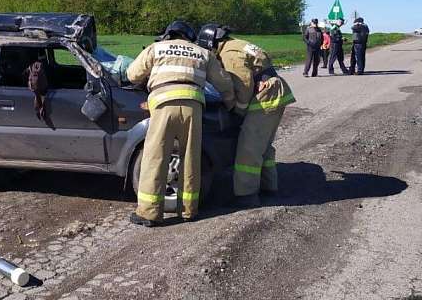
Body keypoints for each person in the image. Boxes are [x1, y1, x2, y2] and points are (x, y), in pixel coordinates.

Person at [126, 21, 235, 227]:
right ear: (189, 37)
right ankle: (188, 210)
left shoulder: (156, 48)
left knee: (155, 156)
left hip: (163, 104)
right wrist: (231, 104)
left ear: (168, 35)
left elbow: (132, 74)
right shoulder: (203, 53)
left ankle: (149, 213)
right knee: (190, 156)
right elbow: (224, 83)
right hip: (193, 107)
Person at [196, 24, 296, 207]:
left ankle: (246, 196)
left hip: (266, 96)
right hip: (273, 92)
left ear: (211, 42)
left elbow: (242, 87)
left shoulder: (230, 55)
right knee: (262, 146)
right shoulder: (237, 45)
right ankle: (268, 187)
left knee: (248, 148)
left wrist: (237, 112)